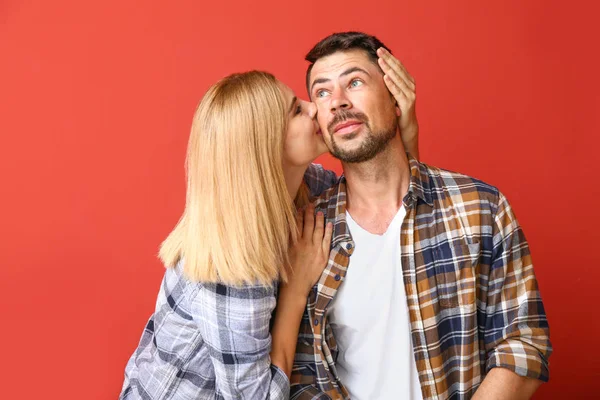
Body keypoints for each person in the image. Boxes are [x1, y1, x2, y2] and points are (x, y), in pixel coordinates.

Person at [119, 53, 419, 398]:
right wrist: (296, 290)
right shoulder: (229, 266)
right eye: (296, 110)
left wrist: (406, 128)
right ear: (266, 146)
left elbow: (383, 194)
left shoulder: (303, 185)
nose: (313, 108)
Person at [289, 32, 552, 400]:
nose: (338, 103)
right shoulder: (310, 232)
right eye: (322, 92)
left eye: (355, 81)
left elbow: (523, 344)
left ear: (396, 98)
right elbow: (303, 375)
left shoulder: (480, 208)